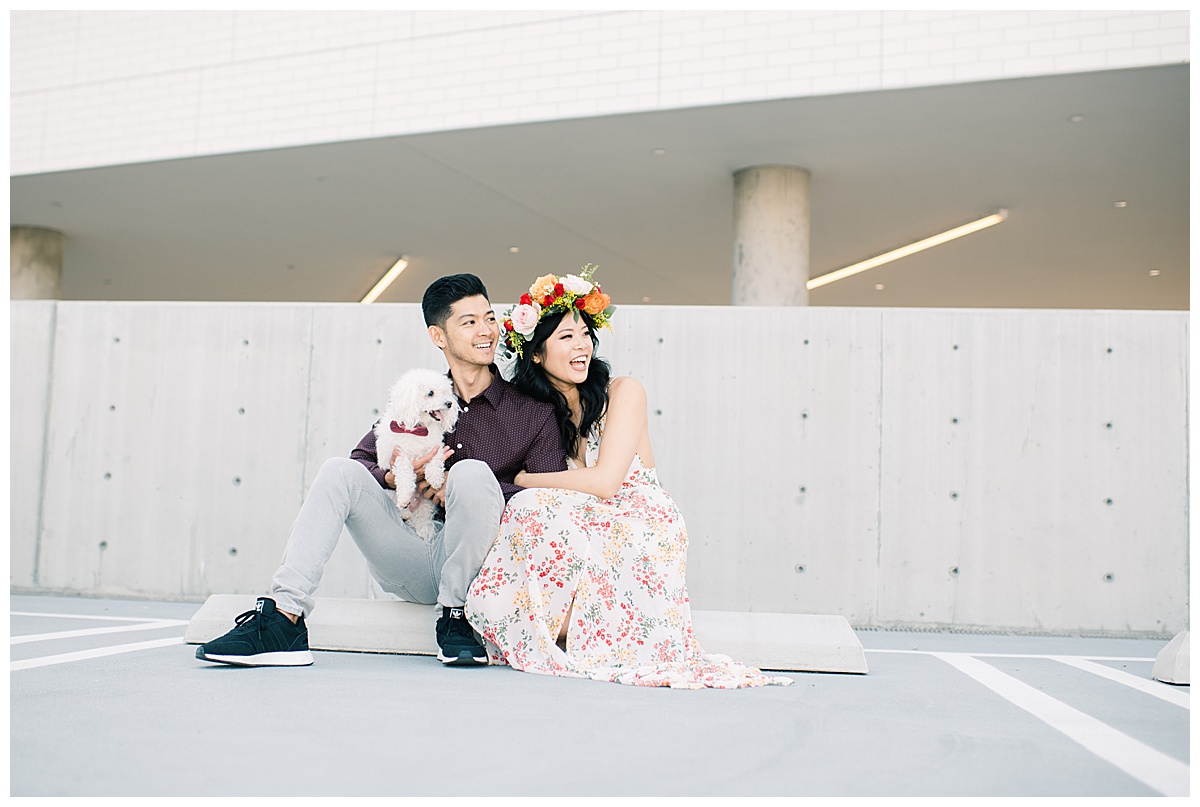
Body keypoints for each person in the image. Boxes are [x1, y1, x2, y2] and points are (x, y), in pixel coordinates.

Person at [196, 274, 566, 667]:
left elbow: (547, 504)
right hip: (406, 551)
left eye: (489, 318)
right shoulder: (417, 396)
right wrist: (391, 478)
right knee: (339, 470)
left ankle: (456, 616)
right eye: (469, 321)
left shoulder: (533, 413)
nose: (485, 331)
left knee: (471, 473)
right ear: (438, 337)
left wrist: (466, 490)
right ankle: (285, 617)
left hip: (472, 564)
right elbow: (362, 461)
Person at [464, 268, 792, 689]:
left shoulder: (624, 391)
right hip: (585, 511)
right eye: (566, 337)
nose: (581, 344)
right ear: (536, 355)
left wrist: (527, 480)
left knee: (530, 501)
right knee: (527, 510)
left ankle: (567, 629)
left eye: (584, 334)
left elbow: (605, 483)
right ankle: (535, 623)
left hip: (638, 514)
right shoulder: (539, 415)